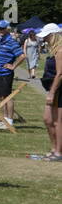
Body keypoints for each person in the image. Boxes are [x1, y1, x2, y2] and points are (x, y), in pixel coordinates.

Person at [0, 20, 24, 128]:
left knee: (7, 97)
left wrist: (13, 66)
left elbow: (22, 56)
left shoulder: (11, 42)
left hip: (5, 74)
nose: (0, 31)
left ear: (7, 29)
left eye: (2, 28)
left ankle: (9, 121)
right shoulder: (2, 40)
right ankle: (4, 119)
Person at [36, 23, 62, 161]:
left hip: (58, 89)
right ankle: (54, 149)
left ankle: (59, 152)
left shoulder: (60, 50)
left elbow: (60, 74)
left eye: (46, 37)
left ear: (53, 35)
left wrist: (52, 93)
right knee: (48, 119)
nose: (44, 39)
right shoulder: (53, 50)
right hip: (54, 88)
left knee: (58, 122)